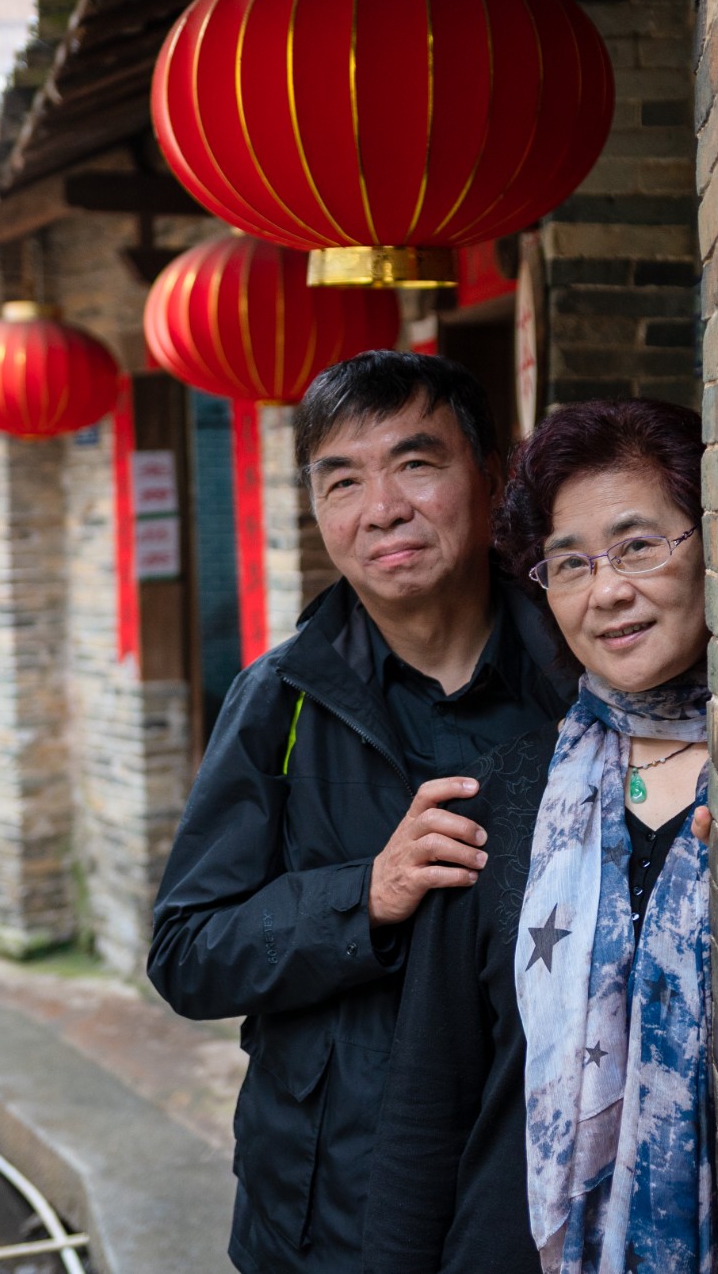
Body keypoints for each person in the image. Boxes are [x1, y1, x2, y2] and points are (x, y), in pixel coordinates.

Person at [148, 351, 576, 1274]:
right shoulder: (281, 700)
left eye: (416, 464)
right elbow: (187, 952)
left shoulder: (578, 679)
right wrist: (364, 896)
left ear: (490, 473)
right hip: (325, 1214)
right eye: (343, 480)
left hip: (537, 1197)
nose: (382, 508)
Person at [362, 397, 716, 1274]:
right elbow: (428, 1105)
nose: (608, 591)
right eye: (569, 564)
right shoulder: (497, 801)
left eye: (640, 546)